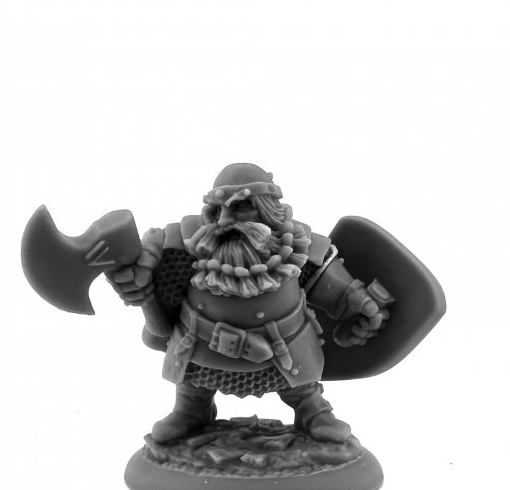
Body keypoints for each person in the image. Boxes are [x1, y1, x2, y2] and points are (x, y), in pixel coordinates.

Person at [107, 163, 389, 443]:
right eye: (218, 210)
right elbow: (156, 272)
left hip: (284, 347)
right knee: (192, 385)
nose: (225, 220)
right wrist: (141, 270)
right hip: (199, 344)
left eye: (240, 207)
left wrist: (355, 301)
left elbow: (329, 283)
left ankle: (313, 412)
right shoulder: (191, 242)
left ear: (267, 209)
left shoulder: (296, 244)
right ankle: (190, 411)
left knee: (301, 387)